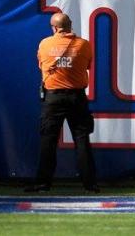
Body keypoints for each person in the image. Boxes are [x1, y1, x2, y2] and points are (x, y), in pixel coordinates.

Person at [26, 12, 96, 193]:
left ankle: (43, 183)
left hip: (53, 98)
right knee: (82, 140)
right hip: (77, 97)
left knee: (48, 140)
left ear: (54, 28)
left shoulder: (45, 44)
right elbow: (87, 65)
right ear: (70, 26)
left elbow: (42, 65)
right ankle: (90, 184)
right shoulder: (84, 45)